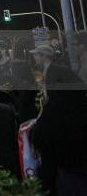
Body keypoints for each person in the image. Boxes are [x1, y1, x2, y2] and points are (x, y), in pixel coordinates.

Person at [30, 45, 87, 194]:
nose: (35, 58)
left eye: (37, 55)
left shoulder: (55, 74)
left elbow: (39, 137)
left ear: (44, 56)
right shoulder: (78, 106)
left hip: (66, 168)